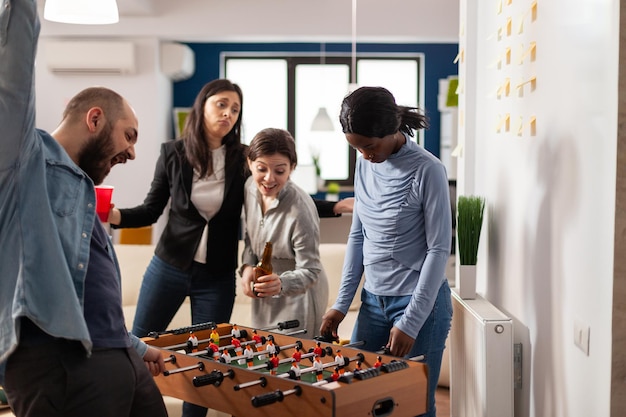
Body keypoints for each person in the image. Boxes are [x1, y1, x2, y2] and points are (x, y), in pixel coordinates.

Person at [0, 2, 167, 417]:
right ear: (94, 118)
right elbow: (13, 81)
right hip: (58, 361)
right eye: (128, 135)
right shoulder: (25, 159)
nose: (132, 152)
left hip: (117, 354)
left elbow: (91, 291)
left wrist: (136, 346)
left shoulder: (84, 191)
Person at [319, 86, 453, 417]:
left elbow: (439, 249)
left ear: (391, 130)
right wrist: (340, 303)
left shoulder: (428, 169)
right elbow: (359, 236)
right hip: (373, 302)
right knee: (362, 401)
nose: (364, 154)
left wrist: (411, 321)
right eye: (357, 148)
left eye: (369, 146)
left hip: (420, 304)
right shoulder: (366, 164)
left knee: (414, 406)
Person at [240, 128, 329, 336]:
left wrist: (281, 283)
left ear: (292, 168)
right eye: (261, 169)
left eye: (280, 171)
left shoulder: (300, 208)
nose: (269, 179)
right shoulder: (249, 189)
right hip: (265, 292)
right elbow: (249, 237)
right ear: (249, 163)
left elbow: (311, 270)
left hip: (301, 295)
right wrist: (246, 267)